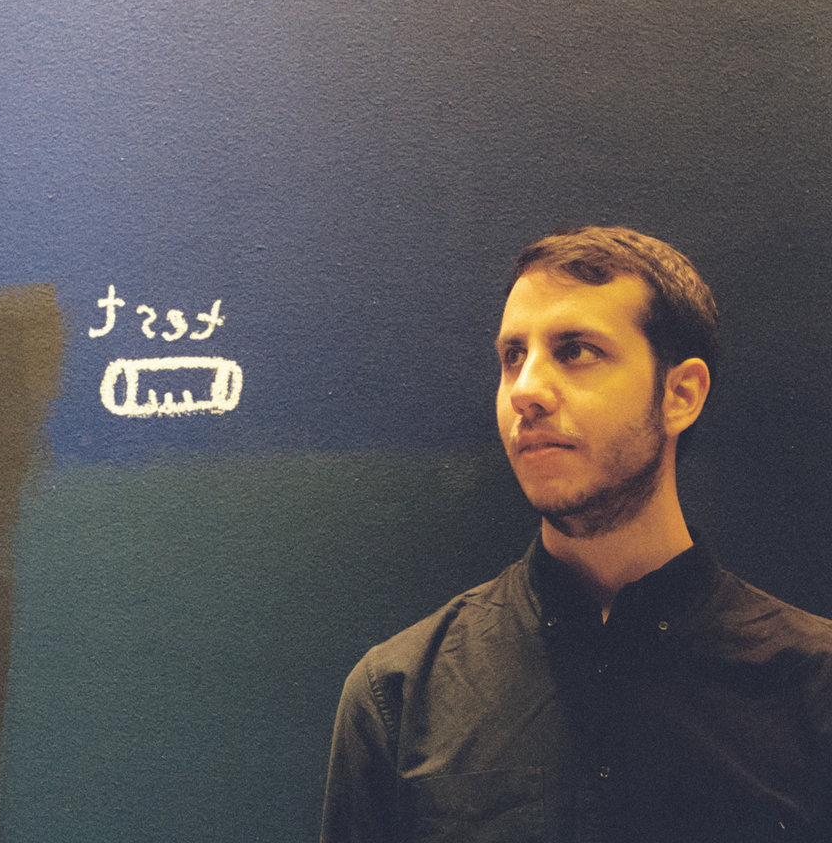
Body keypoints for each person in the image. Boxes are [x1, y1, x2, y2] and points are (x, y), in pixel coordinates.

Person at [320, 226, 832, 843]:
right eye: (513, 357)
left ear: (680, 395)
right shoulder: (399, 698)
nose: (526, 391)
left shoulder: (814, 688)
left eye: (576, 351)